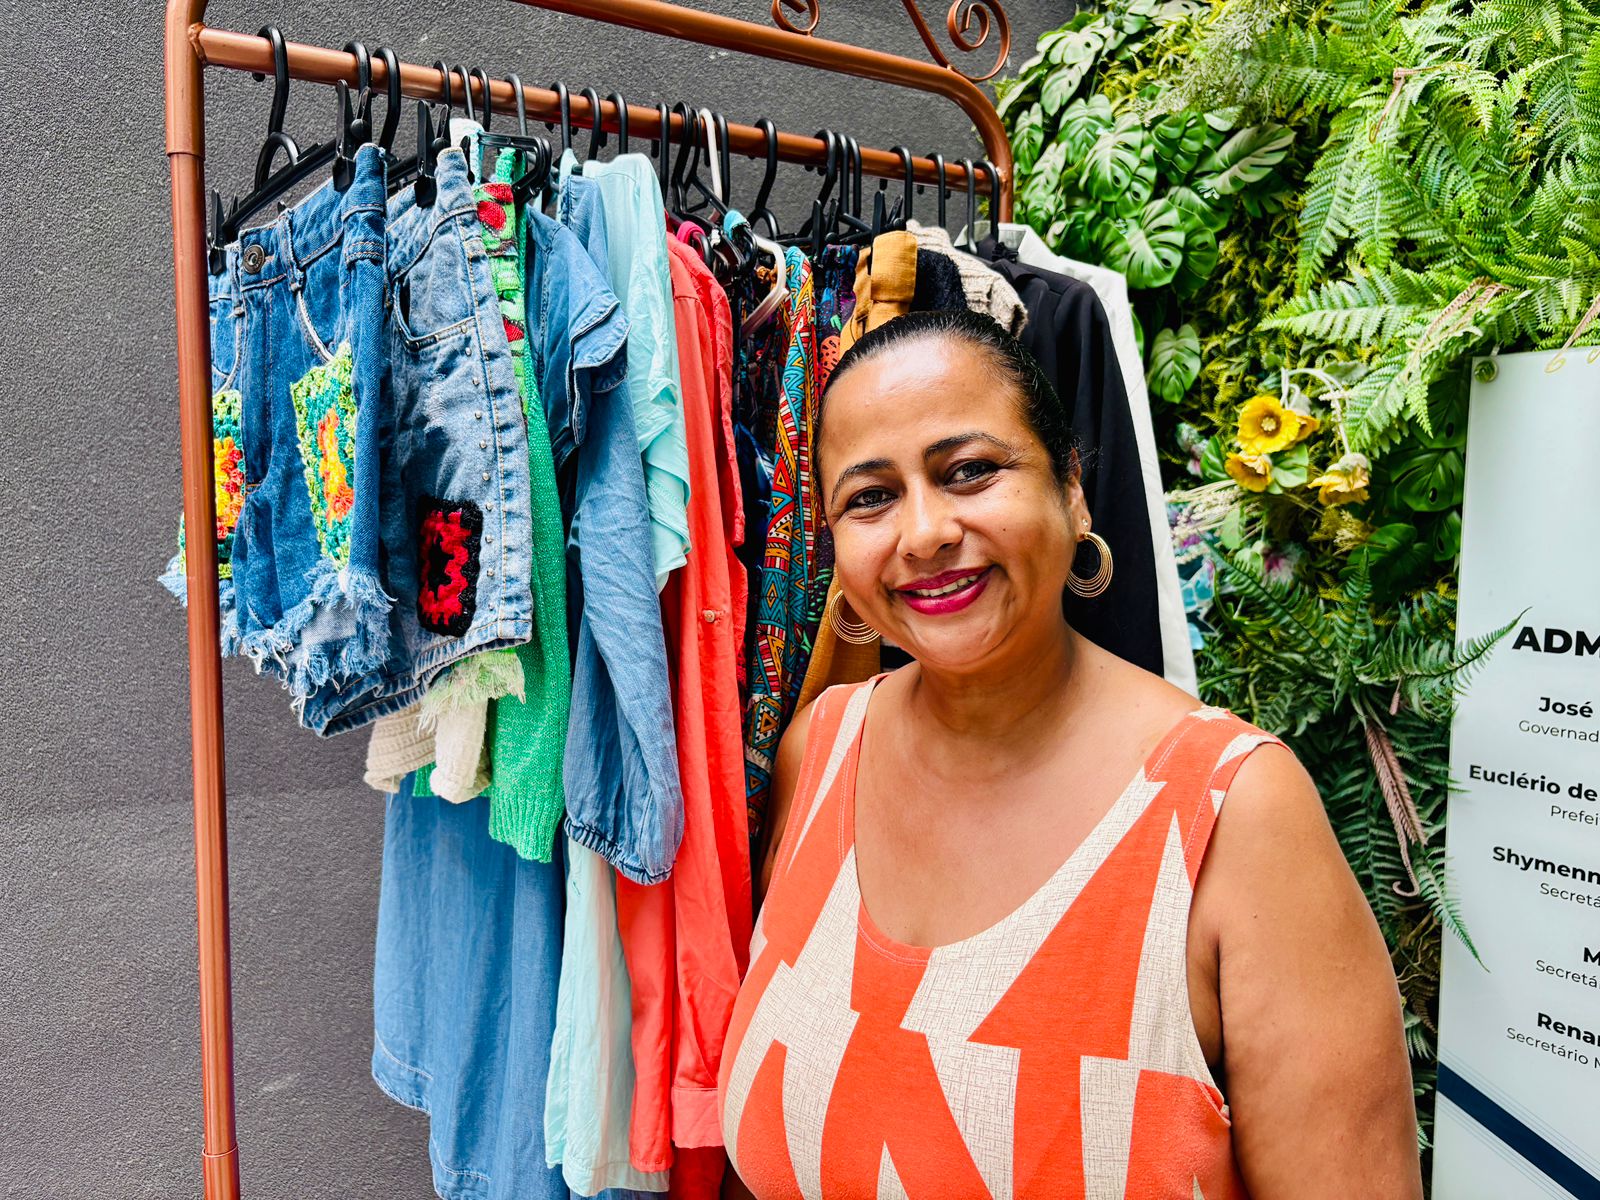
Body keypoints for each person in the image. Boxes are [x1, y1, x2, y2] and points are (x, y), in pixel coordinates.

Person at [716, 310, 1422, 1199]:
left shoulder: (1233, 815)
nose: (924, 532)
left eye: (968, 471)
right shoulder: (819, 750)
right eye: (871, 497)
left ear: (1073, 489)